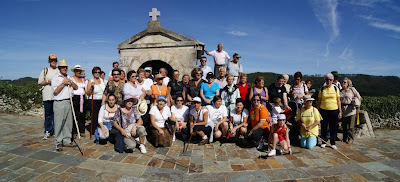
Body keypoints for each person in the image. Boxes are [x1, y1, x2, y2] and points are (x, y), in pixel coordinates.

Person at [51, 59, 78, 151]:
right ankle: (58, 142)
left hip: (68, 101)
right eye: (63, 67)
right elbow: (56, 91)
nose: (64, 68)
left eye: (66, 67)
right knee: (59, 122)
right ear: (59, 68)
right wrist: (63, 83)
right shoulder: (55, 78)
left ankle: (66, 140)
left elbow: (76, 87)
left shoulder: (69, 77)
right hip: (59, 102)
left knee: (68, 122)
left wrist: (70, 82)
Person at [318, 73, 342, 149]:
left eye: (331, 80)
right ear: (325, 80)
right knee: (324, 127)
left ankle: (333, 142)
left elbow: (338, 101)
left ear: (333, 80)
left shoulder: (335, 88)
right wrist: (317, 111)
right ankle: (323, 141)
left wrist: (340, 111)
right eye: (327, 79)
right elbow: (319, 101)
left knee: (333, 127)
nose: (329, 81)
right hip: (323, 110)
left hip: (334, 110)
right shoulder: (322, 89)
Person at [38, 54, 59, 139]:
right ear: (49, 61)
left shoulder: (58, 70)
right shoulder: (45, 71)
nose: (53, 61)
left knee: (56, 115)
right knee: (48, 114)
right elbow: (39, 83)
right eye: (51, 60)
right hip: (47, 95)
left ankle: (55, 130)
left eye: (54, 60)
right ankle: (47, 131)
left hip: (57, 96)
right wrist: (47, 81)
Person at [340, 78, 362, 144]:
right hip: (343, 109)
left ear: (348, 83)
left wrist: (357, 104)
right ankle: (344, 138)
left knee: (350, 125)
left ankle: (350, 139)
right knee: (344, 125)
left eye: (344, 82)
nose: (343, 83)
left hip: (351, 109)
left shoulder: (352, 89)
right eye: (342, 82)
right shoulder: (340, 91)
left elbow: (359, 97)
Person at [87, 67, 106, 134]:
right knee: (94, 116)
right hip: (93, 100)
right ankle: (94, 129)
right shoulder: (90, 81)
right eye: (95, 72)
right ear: (93, 73)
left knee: (101, 115)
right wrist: (91, 87)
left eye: (98, 72)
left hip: (101, 100)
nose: (97, 74)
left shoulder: (102, 80)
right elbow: (88, 93)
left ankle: (101, 128)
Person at [70, 65, 87, 138]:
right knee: (74, 114)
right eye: (77, 71)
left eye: (79, 71)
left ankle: (81, 130)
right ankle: (74, 131)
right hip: (75, 98)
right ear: (74, 71)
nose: (78, 72)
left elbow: (85, 89)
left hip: (82, 98)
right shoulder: (71, 78)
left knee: (82, 115)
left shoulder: (83, 79)